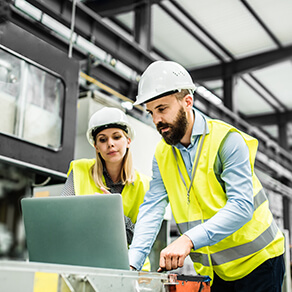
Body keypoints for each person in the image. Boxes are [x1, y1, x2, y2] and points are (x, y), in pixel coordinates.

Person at [129, 60, 285, 291]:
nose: (156, 120)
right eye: (151, 112)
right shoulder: (162, 154)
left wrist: (188, 240)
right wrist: (133, 263)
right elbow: (152, 207)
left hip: (260, 262)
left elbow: (242, 206)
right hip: (217, 271)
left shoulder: (227, 141)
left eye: (162, 109)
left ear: (187, 102)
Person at [61, 106, 151, 271]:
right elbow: (63, 219)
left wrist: (113, 212)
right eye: (103, 139)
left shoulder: (144, 184)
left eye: (116, 137)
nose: (110, 144)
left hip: (131, 268)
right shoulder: (79, 170)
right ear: (96, 146)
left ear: (128, 141)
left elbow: (141, 237)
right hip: (85, 264)